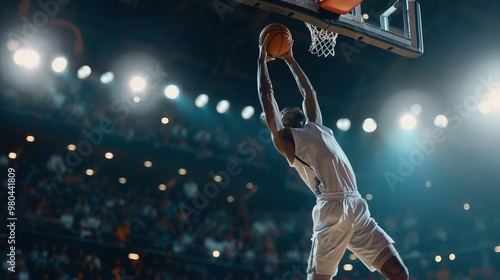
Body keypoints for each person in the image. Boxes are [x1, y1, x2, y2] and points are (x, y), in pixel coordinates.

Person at [257, 35, 409, 280]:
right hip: (331, 208)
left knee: (399, 273)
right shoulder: (287, 139)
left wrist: (290, 59)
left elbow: (309, 91)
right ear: (280, 121)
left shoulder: (317, 125)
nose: (292, 108)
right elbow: (267, 96)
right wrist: (261, 59)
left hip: (358, 206)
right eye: (284, 111)